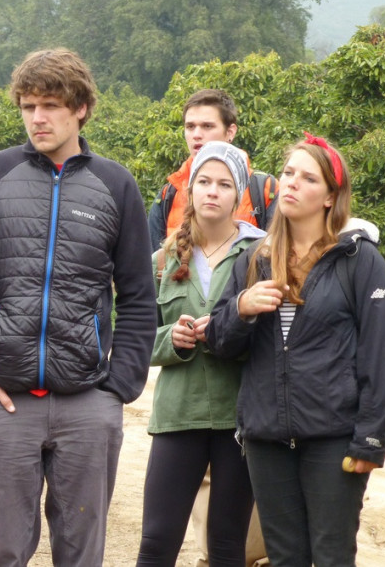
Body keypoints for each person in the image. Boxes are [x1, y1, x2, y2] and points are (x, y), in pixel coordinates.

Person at [0, 48, 156, 566]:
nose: (38, 117)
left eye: (52, 105)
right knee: (4, 554)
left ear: (81, 108)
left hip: (88, 403)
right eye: (28, 105)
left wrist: (117, 389)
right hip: (5, 401)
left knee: (82, 556)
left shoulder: (116, 184)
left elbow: (140, 298)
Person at [206, 133, 385, 566]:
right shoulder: (255, 258)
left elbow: (381, 358)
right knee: (284, 557)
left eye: (307, 177)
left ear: (331, 196)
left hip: (333, 438)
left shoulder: (360, 261)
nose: (291, 183)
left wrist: (370, 441)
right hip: (266, 438)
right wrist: (241, 307)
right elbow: (218, 341)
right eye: (288, 173)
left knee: (331, 555)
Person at [149, 88, 270, 567]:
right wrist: (171, 339)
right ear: (190, 190)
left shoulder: (262, 254)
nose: (212, 192)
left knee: (227, 548)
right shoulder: (163, 258)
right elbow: (138, 337)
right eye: (204, 182)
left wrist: (229, 327)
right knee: (157, 543)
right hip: (177, 415)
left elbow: (273, 340)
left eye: (224, 184)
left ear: (239, 192)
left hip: (237, 418)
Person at [147, 89, 277, 254]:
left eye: (207, 126)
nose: (196, 135)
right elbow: (152, 267)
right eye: (190, 126)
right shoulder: (169, 195)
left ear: (230, 132)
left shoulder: (264, 190)